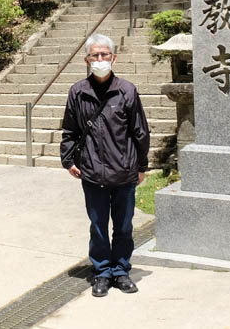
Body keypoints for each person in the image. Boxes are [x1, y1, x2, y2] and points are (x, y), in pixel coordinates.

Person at [60, 33, 150, 298]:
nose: (100, 59)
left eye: (105, 55)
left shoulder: (127, 91)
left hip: (124, 172)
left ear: (113, 58)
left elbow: (140, 132)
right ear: (87, 59)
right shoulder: (78, 92)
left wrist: (141, 166)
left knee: (123, 227)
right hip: (92, 173)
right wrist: (68, 160)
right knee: (98, 226)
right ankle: (101, 272)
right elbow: (70, 131)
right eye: (95, 55)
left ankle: (121, 271)